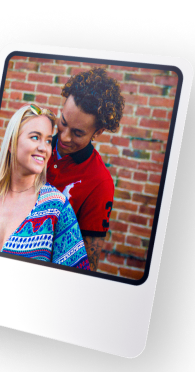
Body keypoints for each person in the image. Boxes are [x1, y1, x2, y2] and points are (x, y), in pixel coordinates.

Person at [0, 104, 90, 270]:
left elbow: (75, 279)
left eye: (48, 141)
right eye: (35, 137)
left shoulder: (56, 207)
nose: (44, 148)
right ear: (11, 143)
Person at [46, 67, 125, 271]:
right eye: (63, 122)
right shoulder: (33, 145)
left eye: (78, 133)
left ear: (98, 131)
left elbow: (87, 265)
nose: (64, 137)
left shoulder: (100, 182)